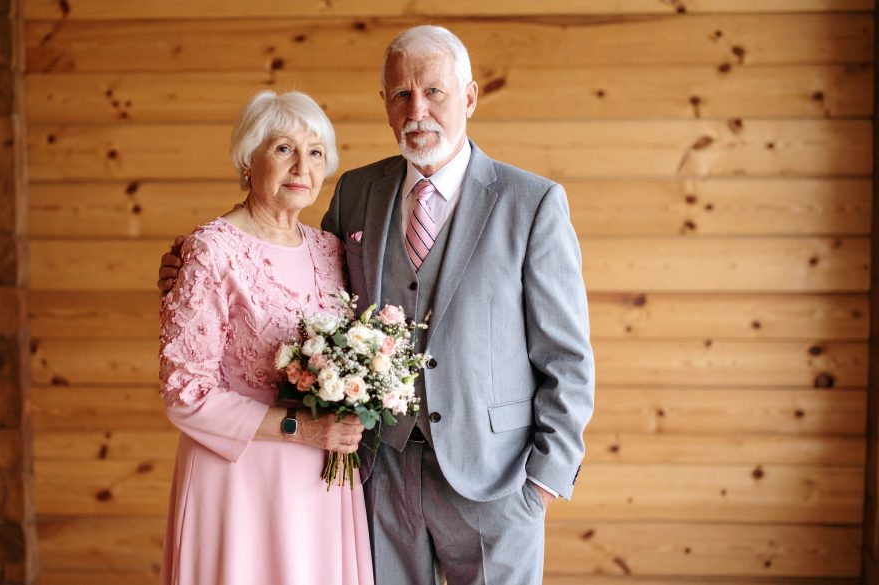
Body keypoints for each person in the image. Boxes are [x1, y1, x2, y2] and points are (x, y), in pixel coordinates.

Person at [159, 26, 595, 585]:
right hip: (376, 477)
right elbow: (301, 292)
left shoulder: (531, 203)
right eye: (401, 95)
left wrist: (543, 481)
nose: (418, 110)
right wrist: (188, 268)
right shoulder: (356, 193)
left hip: (495, 482)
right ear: (385, 104)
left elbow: (567, 356)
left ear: (469, 97)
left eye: (434, 92)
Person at [157, 90, 373, 585]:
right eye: (283, 149)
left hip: (320, 481)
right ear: (247, 160)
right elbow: (183, 395)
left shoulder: (330, 250)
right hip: (237, 478)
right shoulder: (210, 250)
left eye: (315, 153)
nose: (302, 166)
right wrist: (303, 429)